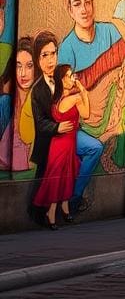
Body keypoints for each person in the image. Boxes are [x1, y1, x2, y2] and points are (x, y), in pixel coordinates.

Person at [33, 64, 88, 229]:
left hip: (62, 143)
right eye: (70, 76)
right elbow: (86, 114)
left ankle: (63, 208)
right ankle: (51, 212)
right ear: (62, 79)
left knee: (66, 175)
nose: (74, 78)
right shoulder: (74, 98)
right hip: (64, 143)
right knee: (59, 177)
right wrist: (82, 90)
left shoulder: (56, 99)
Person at [0, 38, 35, 172]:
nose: (23, 73)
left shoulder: (41, 100)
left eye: (29, 66)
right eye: (18, 66)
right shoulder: (5, 103)